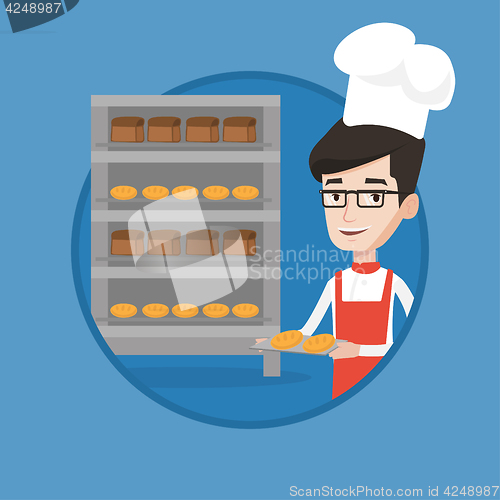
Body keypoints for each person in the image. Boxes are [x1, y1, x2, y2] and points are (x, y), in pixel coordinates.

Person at [257, 23, 455, 399]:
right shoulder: (336, 283)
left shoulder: (394, 285)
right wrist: (277, 341)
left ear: (407, 206)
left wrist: (360, 350)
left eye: (372, 197)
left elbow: (413, 339)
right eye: (335, 195)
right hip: (341, 381)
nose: (348, 215)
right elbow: (308, 331)